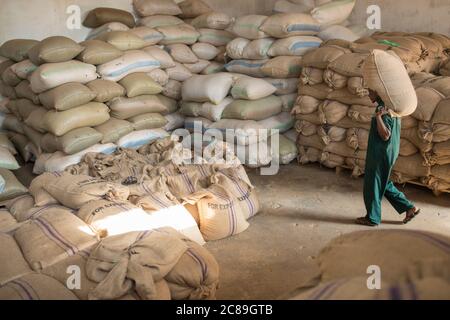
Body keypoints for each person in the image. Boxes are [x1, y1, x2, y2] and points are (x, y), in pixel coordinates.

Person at [355, 89, 420, 226]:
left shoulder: (383, 108)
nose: (368, 94)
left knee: (373, 183)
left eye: (370, 91)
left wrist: (378, 117)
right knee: (382, 182)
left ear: (378, 92)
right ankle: (409, 208)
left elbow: (385, 135)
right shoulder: (393, 106)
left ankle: (372, 218)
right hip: (389, 151)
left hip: (381, 152)